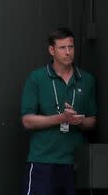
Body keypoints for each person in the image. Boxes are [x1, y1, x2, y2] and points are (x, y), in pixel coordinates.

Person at [21, 28, 97, 195]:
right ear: (51, 50)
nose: (68, 52)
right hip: (43, 161)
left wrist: (80, 121)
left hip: (76, 163)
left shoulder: (87, 80)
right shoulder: (37, 78)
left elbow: (92, 121)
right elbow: (27, 121)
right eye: (62, 48)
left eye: (71, 47)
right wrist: (61, 118)